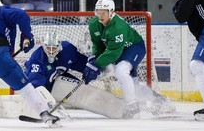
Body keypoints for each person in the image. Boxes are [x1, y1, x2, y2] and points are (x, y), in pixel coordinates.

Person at [24, 32, 175, 118]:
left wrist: (97, 69)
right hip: (45, 88)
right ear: (43, 46)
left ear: (60, 46)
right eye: (48, 48)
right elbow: (35, 84)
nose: (51, 51)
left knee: (81, 89)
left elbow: (82, 64)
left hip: (59, 81)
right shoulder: (37, 59)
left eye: (54, 47)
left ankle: (123, 109)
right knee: (57, 87)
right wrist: (45, 104)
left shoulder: (68, 49)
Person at [82, 0, 175, 118]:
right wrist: (94, 58)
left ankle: (132, 107)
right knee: (133, 85)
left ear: (111, 12)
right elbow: (98, 45)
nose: (100, 15)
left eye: (103, 12)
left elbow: (113, 52)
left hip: (134, 48)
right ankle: (158, 99)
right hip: (120, 50)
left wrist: (97, 65)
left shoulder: (118, 26)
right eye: (98, 12)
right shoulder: (94, 24)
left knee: (121, 70)